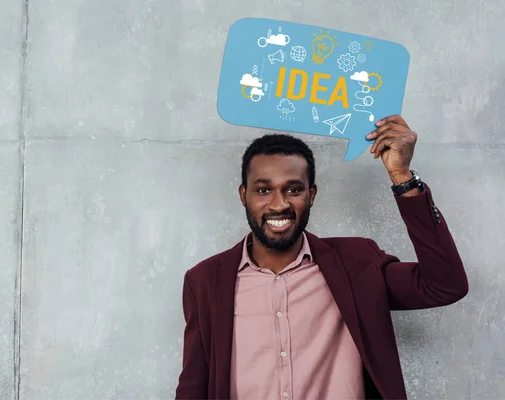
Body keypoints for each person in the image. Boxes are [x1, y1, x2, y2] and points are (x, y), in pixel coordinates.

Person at [174, 115, 468, 400]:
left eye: (293, 189)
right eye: (263, 190)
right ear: (243, 196)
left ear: (311, 195)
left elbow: (444, 285)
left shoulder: (357, 263)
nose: (279, 204)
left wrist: (402, 178)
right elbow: (193, 387)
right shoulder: (204, 281)